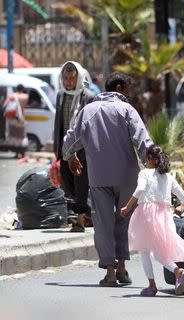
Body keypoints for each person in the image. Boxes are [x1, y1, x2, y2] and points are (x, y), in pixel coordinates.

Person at [62, 72, 153, 287]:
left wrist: (70, 157)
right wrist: (152, 167)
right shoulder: (126, 110)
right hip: (127, 177)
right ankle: (122, 267)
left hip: (99, 177)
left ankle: (110, 273)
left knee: (103, 224)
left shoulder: (88, 111)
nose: (130, 93)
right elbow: (144, 143)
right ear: (120, 88)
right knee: (124, 222)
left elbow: (69, 141)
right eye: (128, 88)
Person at [120, 145, 184, 296]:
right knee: (160, 251)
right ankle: (178, 271)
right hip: (165, 216)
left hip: (147, 215)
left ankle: (152, 285)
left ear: (149, 159)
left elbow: (140, 189)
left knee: (145, 250)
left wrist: (127, 207)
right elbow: (183, 195)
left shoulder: (145, 173)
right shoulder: (168, 177)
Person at [54, 61, 96, 232]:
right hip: (65, 149)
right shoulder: (60, 95)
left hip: (82, 150)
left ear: (78, 78)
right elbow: (58, 124)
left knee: (81, 184)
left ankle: (79, 221)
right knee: (66, 181)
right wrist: (57, 150)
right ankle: (87, 214)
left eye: (72, 78)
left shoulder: (88, 97)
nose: (68, 82)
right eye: (65, 78)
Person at [2, 84, 29, 158]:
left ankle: (16, 153)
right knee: (22, 136)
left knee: (14, 136)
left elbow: (4, 105)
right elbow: (26, 106)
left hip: (12, 119)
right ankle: (22, 153)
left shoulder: (12, 96)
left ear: (16, 89)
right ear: (22, 89)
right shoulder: (25, 96)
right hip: (21, 118)